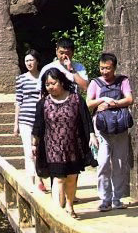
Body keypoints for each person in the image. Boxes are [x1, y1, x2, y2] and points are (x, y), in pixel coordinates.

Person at [32, 67, 98, 219]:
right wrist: (34, 144)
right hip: (53, 148)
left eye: (53, 83)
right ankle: (58, 213)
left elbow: (85, 119)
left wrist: (91, 135)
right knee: (59, 178)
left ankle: (70, 206)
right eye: (47, 84)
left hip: (73, 146)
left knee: (71, 177)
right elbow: (38, 126)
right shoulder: (43, 103)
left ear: (61, 82)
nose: (50, 87)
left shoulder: (76, 99)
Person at [86, 52, 134, 211]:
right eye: (101, 68)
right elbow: (88, 103)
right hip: (102, 128)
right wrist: (102, 100)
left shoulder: (123, 81)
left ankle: (117, 198)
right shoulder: (95, 83)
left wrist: (114, 104)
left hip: (120, 128)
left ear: (114, 68)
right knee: (103, 163)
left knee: (120, 164)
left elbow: (129, 99)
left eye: (108, 68)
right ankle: (105, 199)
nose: (104, 72)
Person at [13, 50, 49, 193]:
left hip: (41, 119)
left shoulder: (44, 77)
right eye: (26, 60)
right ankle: (33, 181)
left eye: (31, 60)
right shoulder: (21, 79)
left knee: (40, 150)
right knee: (28, 151)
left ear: (37, 61)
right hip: (25, 119)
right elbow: (18, 101)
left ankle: (40, 177)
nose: (29, 63)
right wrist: (15, 124)